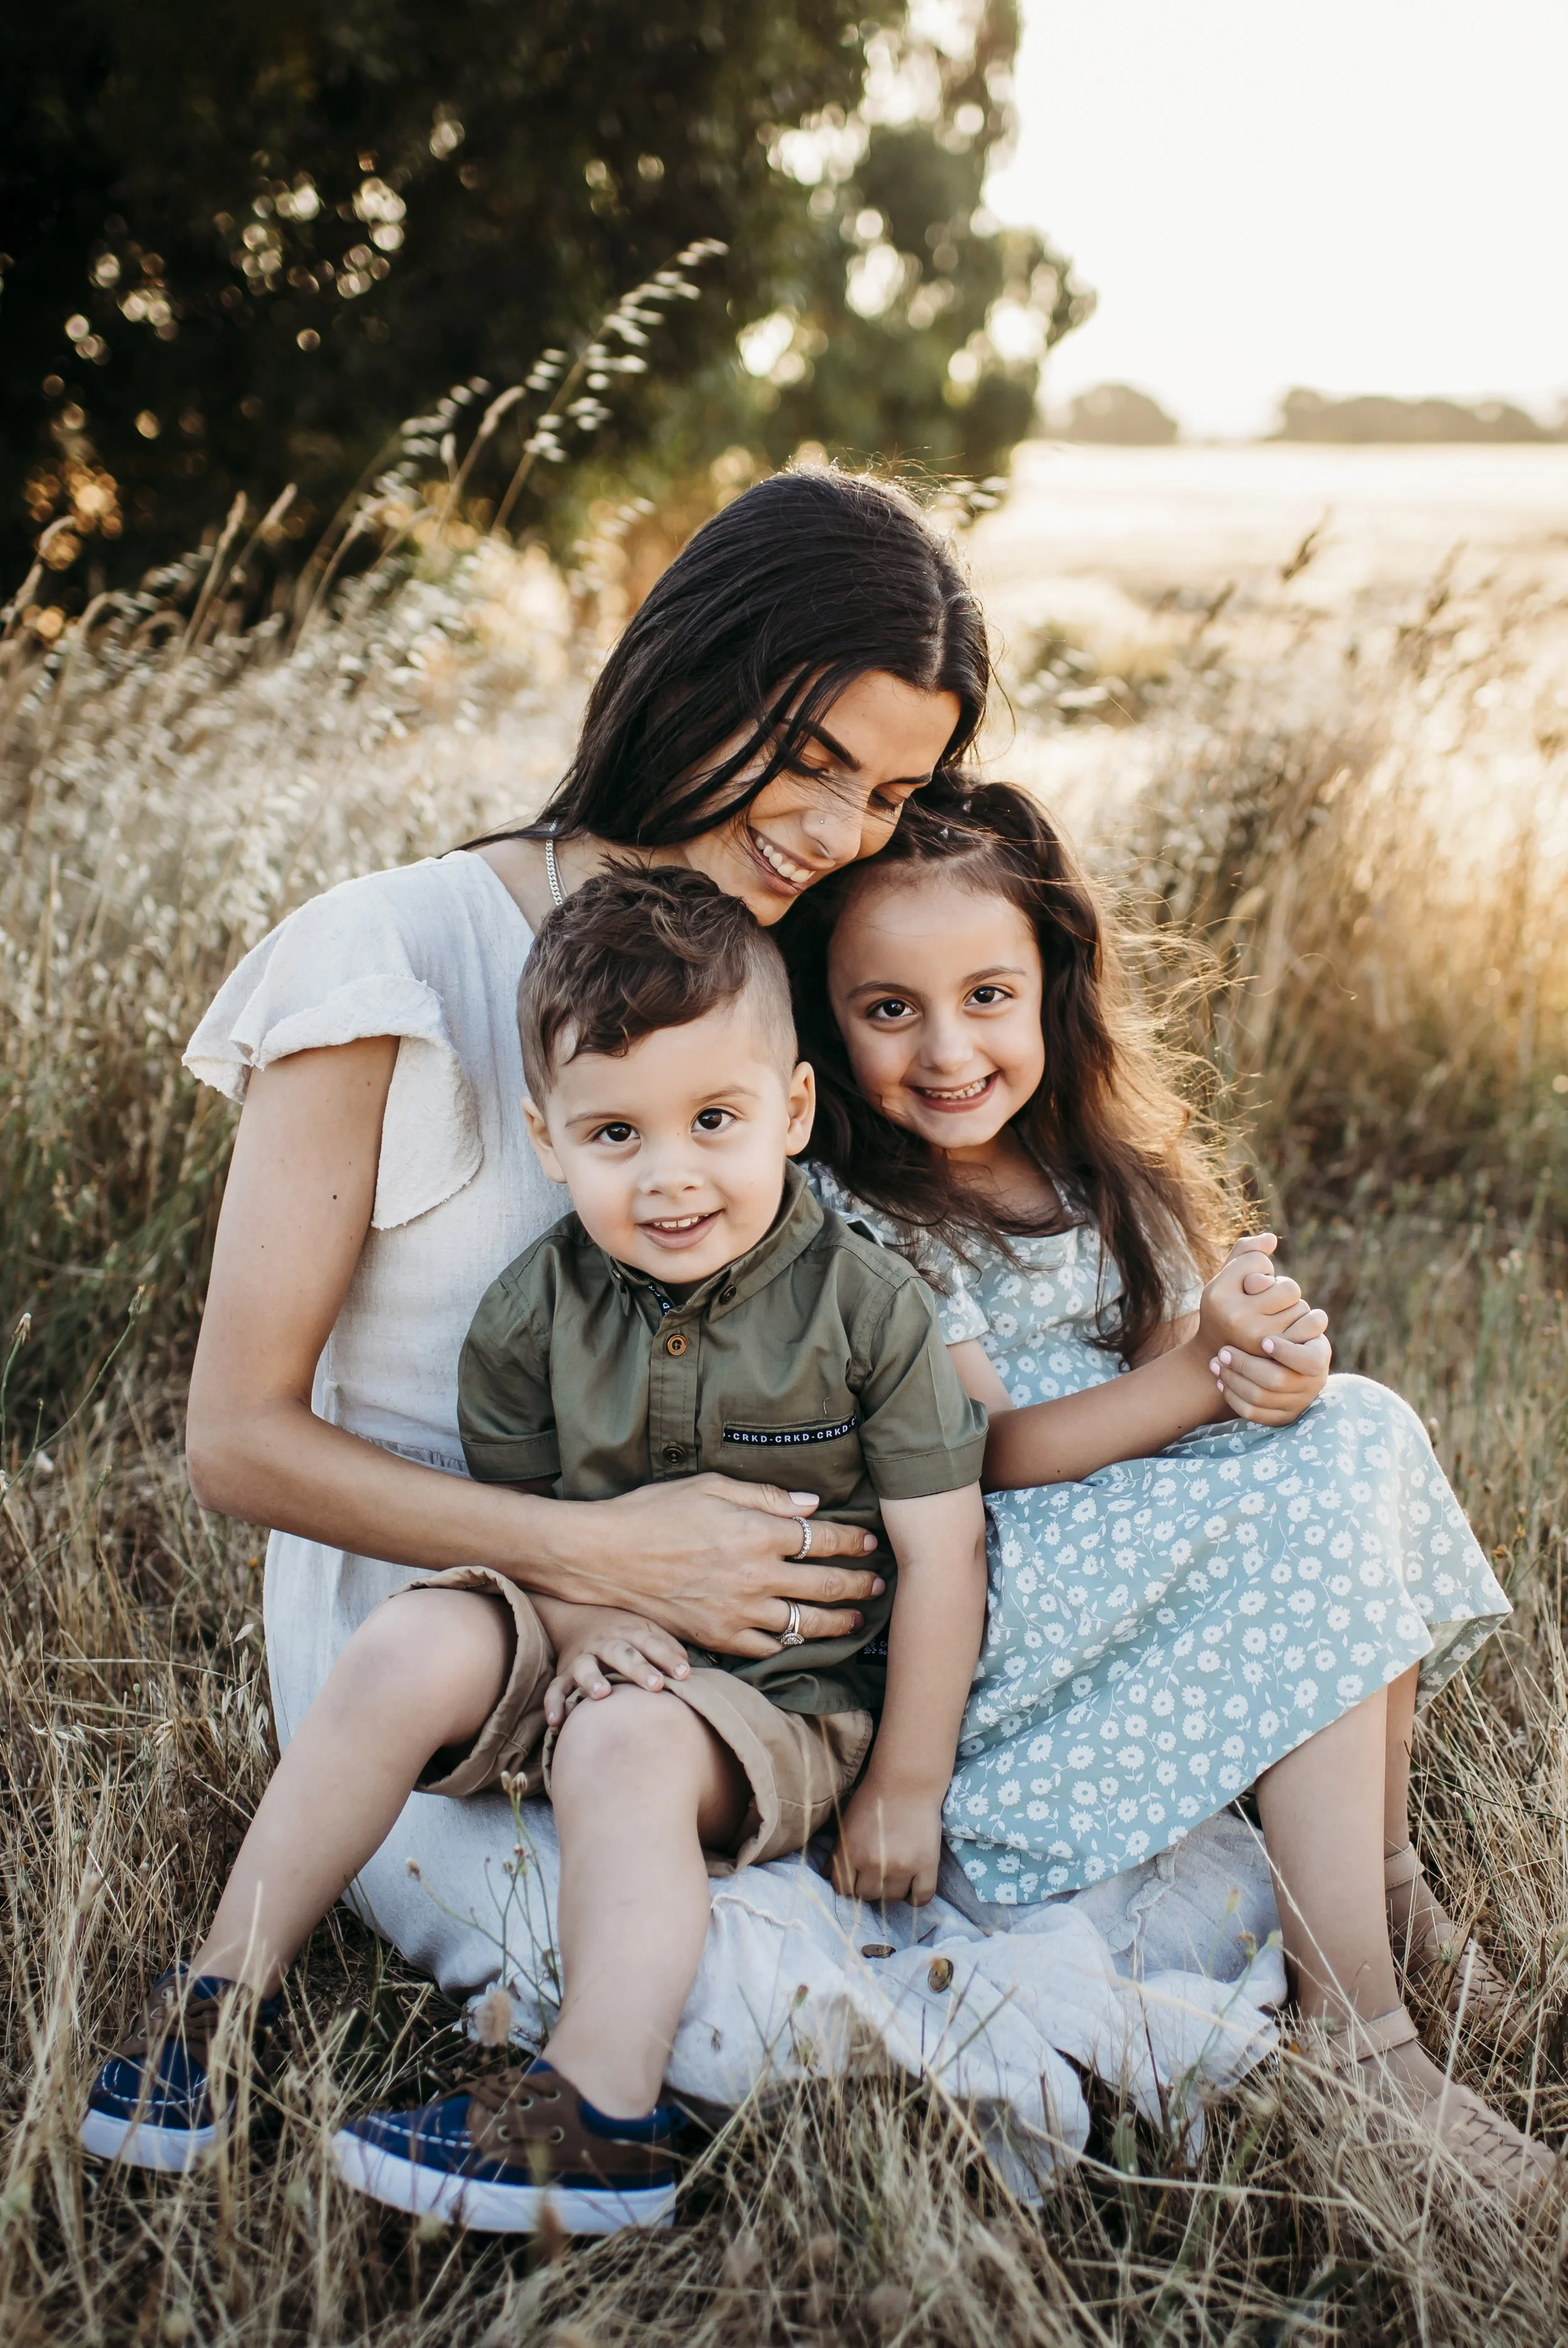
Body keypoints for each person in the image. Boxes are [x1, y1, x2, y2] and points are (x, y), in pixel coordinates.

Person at [76, 468, 984, 2188]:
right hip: (439, 1635)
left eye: (892, 788)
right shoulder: (394, 957)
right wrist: (596, 1562)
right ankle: (217, 2010)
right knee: (763, 2019)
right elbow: (236, 1436)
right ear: (691, 674)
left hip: (735, 1670)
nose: (840, 828)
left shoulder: (787, 970)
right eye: (810, 762)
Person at [783, 775, 1550, 2204]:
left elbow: (1178, 1389)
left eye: (987, 995)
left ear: (1052, 992)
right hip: (982, 1594)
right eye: (889, 1010)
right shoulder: (861, 1217)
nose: (948, 1049)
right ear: (825, 1025)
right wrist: (1202, 1378)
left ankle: (1380, 1885)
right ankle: (1362, 2044)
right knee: (1311, 1487)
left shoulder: (1097, 1173)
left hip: (1094, 1552)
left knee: (1354, 1430)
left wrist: (1265, 1364)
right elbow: (985, 1456)